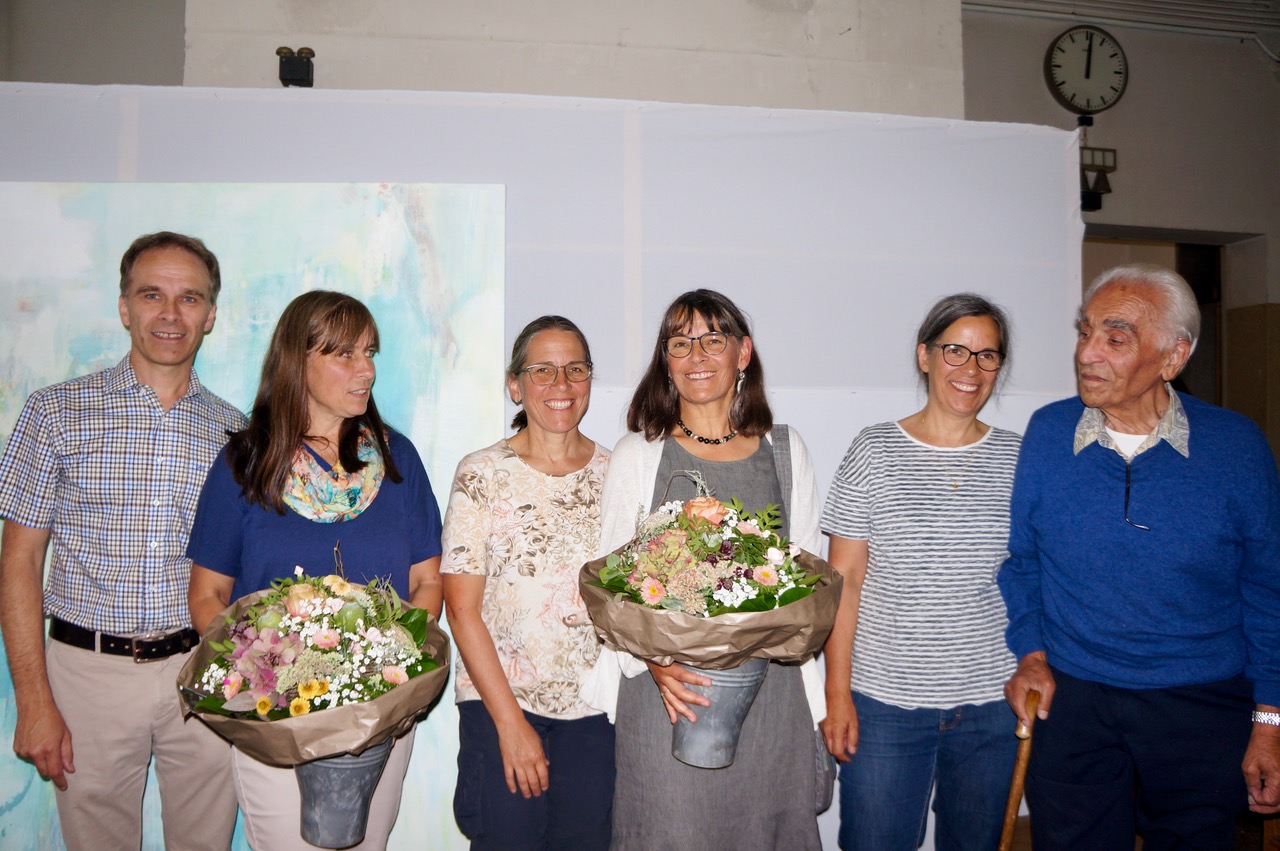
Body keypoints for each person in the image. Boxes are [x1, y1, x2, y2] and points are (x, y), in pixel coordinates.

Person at [999, 263, 1280, 849]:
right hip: (1074, 698)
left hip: (1199, 704)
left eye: (1115, 338)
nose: (1086, 353)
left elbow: (1268, 591)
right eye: (1084, 331)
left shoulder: (1236, 447)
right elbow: (1023, 563)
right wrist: (1030, 652)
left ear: (1173, 357)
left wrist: (1270, 720)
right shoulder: (1049, 432)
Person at [0, 231, 243, 850]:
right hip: (88, 676)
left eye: (189, 298)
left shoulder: (239, 434)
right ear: (124, 307)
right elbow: (20, 561)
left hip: (204, 673)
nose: (170, 313)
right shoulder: (55, 413)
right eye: (151, 295)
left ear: (210, 314)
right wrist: (33, 699)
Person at [186, 290, 443, 851]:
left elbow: (427, 583)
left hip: (380, 721)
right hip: (276, 721)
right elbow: (207, 594)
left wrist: (392, 672)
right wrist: (261, 673)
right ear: (295, 362)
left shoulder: (397, 461)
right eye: (344, 355)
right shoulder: (243, 464)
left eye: (369, 353)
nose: (366, 370)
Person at [583, 289, 825, 850]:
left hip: (773, 697)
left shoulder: (786, 452)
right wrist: (655, 662)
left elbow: (811, 584)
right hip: (669, 697)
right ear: (665, 362)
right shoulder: (638, 456)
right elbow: (608, 587)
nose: (697, 355)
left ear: (743, 354)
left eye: (713, 340)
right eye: (680, 342)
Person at [820, 294, 1021, 850]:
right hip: (884, 707)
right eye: (955, 350)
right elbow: (844, 585)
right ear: (925, 356)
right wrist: (837, 694)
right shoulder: (875, 450)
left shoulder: (1018, 458)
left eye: (987, 356)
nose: (970, 369)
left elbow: (1031, 581)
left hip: (990, 706)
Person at [441, 315, 614, 850]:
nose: (561, 385)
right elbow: (462, 610)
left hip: (596, 713)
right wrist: (512, 727)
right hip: (503, 707)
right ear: (515, 385)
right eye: (542, 371)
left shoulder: (619, 474)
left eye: (575, 369)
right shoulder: (482, 474)